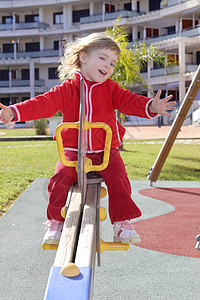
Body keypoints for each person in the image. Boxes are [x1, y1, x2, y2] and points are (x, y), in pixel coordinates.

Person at [0, 32, 176, 245]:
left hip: (105, 150)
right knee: (59, 178)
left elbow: (130, 101)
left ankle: (122, 223)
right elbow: (43, 103)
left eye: (112, 63)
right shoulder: (68, 89)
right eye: (102, 58)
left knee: (119, 176)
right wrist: (14, 111)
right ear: (83, 57)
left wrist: (151, 106)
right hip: (74, 151)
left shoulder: (111, 89)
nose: (108, 66)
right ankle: (55, 222)